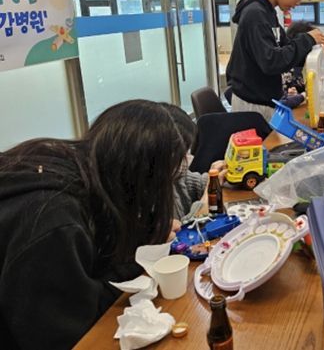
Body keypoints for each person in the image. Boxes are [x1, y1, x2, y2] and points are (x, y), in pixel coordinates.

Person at [0, 100, 195, 348]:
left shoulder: (81, 168)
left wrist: (144, 243)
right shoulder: (53, 220)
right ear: (141, 177)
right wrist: (136, 261)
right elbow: (68, 330)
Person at [226, 0, 324, 122]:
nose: (297, 3)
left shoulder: (269, 13)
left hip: (266, 102)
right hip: (252, 105)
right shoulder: (255, 13)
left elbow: (286, 49)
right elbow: (271, 61)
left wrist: (314, 48)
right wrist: (307, 39)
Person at [159, 103, 227, 220]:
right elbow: (186, 227)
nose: (187, 158)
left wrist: (215, 177)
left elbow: (195, 183)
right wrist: (206, 199)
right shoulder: (150, 198)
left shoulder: (173, 174)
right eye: (181, 154)